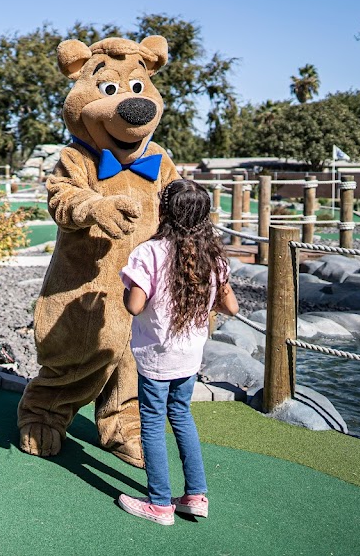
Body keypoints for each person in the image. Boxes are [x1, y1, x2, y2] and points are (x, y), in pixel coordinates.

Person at [117, 179, 239, 525]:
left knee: (153, 424)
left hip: (157, 356)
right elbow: (232, 308)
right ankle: (195, 496)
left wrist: (126, 288)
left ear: (165, 210)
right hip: (189, 356)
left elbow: (135, 306)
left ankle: (158, 503)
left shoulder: (150, 253)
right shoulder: (213, 255)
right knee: (182, 417)